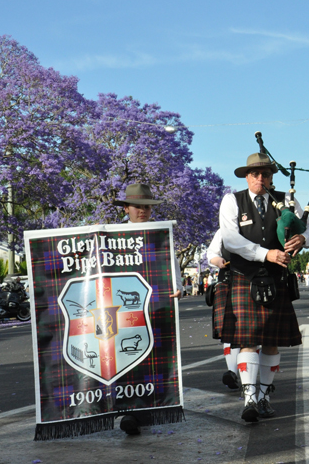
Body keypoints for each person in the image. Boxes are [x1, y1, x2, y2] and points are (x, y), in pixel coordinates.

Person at [219, 153, 309, 422]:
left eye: (265, 174)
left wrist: (302, 239)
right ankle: (249, 400)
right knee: (248, 341)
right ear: (247, 177)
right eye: (254, 174)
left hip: (276, 279)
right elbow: (230, 239)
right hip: (245, 277)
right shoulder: (232, 201)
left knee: (272, 343)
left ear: (272, 177)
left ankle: (264, 398)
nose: (260, 179)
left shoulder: (286, 199)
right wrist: (265, 254)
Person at [112, 183, 184, 435]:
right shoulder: (111, 236)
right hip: (122, 311)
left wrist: (179, 287)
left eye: (146, 207)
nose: (142, 211)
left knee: (152, 358)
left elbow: (172, 266)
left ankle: (143, 410)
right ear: (127, 208)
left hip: (154, 307)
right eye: (137, 206)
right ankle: (129, 413)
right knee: (126, 358)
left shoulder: (160, 234)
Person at [205, 229, 242, 393]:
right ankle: (232, 372)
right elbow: (211, 253)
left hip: (255, 282)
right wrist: (218, 261)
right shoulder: (223, 231)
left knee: (253, 332)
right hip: (227, 281)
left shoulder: (258, 224)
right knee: (228, 329)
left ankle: (248, 374)